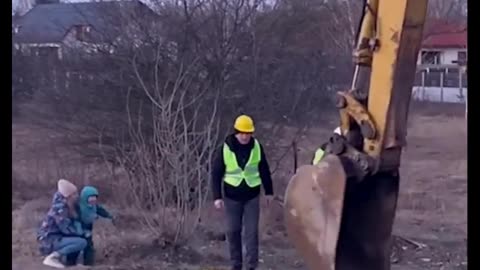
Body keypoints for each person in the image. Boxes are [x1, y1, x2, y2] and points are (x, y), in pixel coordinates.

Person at [211, 114, 274, 270]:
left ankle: (252, 266)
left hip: (252, 195)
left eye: (248, 133)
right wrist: (217, 197)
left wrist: (269, 192)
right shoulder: (226, 148)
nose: (245, 136)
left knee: (251, 233)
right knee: (233, 231)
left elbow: (264, 169)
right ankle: (236, 265)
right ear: (236, 132)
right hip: (232, 197)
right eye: (242, 133)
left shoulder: (257, 147)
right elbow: (216, 173)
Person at [37, 179, 87, 269]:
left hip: (54, 237)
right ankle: (52, 257)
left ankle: (72, 263)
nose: (77, 196)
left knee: (78, 239)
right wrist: (81, 233)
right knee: (81, 242)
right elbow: (65, 228)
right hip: (49, 240)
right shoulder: (60, 210)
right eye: (74, 194)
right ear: (68, 196)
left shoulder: (66, 207)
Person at [65, 186, 114, 266]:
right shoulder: (78, 207)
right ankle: (70, 264)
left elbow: (101, 210)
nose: (93, 199)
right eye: (91, 197)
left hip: (88, 230)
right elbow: (75, 218)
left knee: (89, 248)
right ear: (85, 197)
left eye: (95, 197)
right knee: (75, 248)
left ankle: (88, 264)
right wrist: (79, 230)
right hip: (76, 230)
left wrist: (109, 216)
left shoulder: (94, 207)